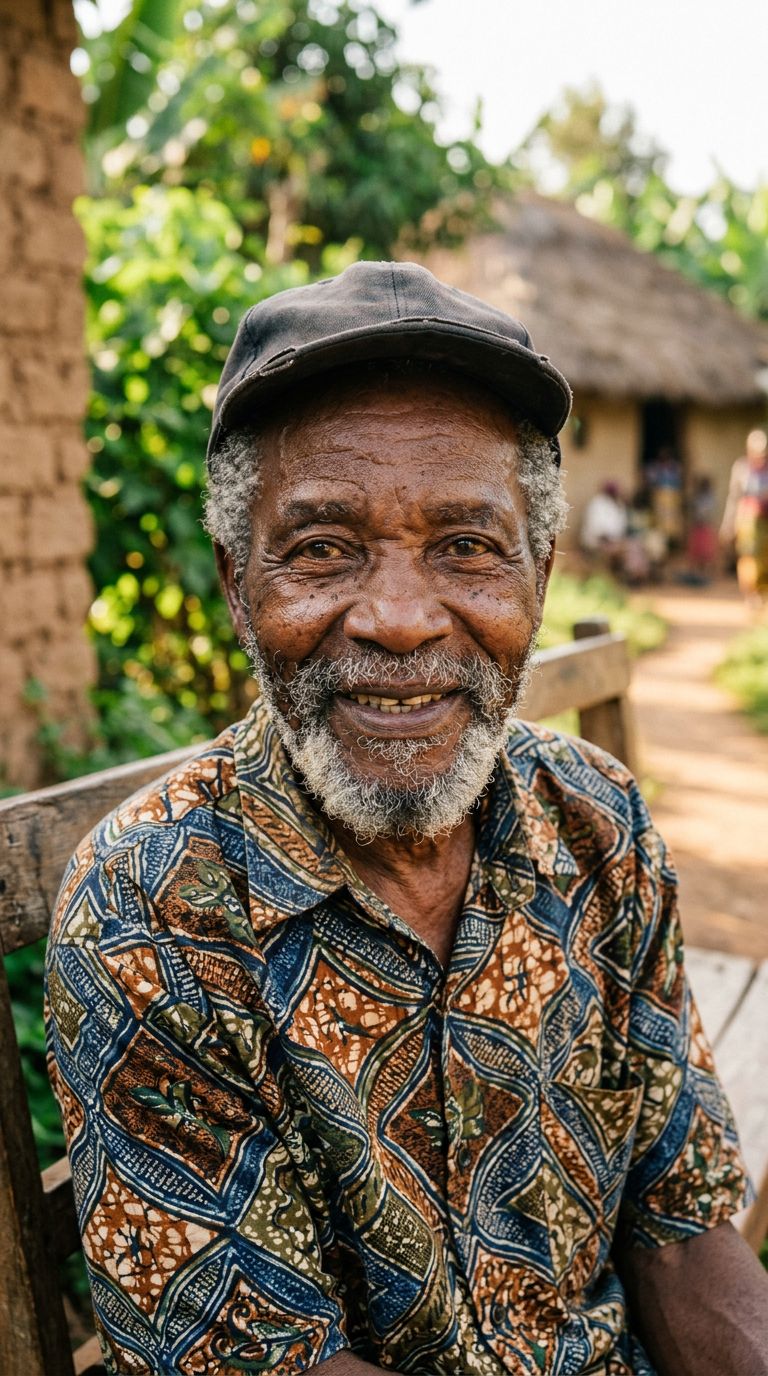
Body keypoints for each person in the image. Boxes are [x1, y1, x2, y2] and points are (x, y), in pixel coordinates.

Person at [45, 262, 768, 1376]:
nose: (395, 618)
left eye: (467, 546)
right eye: (324, 546)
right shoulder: (154, 910)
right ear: (239, 584)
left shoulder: (598, 822)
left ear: (538, 571)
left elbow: (684, 1225)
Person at [721, 430, 768, 611]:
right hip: (747, 521)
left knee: (765, 559)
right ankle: (751, 595)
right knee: (749, 558)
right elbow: (734, 498)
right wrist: (728, 525)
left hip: (766, 520)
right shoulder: (742, 468)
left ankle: (763, 594)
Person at [579, 480, 628, 573]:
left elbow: (620, 527)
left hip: (613, 541)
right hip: (596, 541)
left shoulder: (618, 505)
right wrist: (610, 543)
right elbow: (596, 528)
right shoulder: (597, 504)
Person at [684, 475, 718, 585]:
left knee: (705, 552)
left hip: (704, 525)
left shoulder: (708, 497)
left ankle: (704, 574)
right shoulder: (698, 497)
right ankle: (697, 573)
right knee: (696, 551)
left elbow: (704, 511)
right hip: (698, 525)